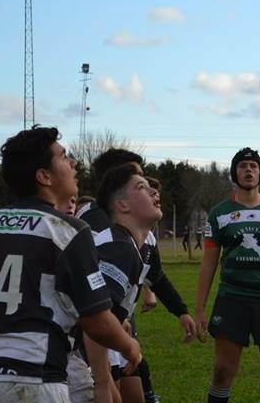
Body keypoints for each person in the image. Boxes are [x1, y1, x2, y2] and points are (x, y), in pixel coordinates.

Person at [0, 126, 140, 402]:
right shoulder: (67, 230)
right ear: (44, 176)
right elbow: (97, 322)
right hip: (32, 379)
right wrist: (129, 347)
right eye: (64, 156)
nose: (73, 163)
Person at [85, 164, 197, 403]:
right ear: (122, 205)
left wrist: (121, 322)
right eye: (141, 187)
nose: (153, 191)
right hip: (72, 359)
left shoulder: (129, 244)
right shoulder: (119, 248)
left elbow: (156, 279)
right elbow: (95, 319)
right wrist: (103, 380)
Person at [195, 148, 260, 403]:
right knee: (221, 372)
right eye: (243, 166)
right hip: (232, 298)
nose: (248, 169)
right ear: (234, 173)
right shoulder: (220, 213)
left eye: (253, 166)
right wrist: (200, 309)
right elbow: (208, 264)